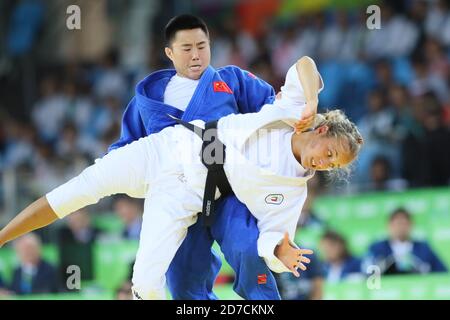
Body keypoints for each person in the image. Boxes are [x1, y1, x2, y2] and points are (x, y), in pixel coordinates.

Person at [0, 58, 363, 299]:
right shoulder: (292, 111)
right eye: (329, 153)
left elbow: (271, 235)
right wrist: (312, 100)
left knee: (144, 282)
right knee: (79, 189)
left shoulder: (292, 192)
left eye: (332, 166)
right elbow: (305, 65)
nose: (324, 164)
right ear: (323, 129)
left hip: (187, 193)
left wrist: (278, 250)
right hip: (169, 147)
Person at [108, 14, 300, 300]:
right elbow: (125, 152)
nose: (196, 55)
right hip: (177, 202)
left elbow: (274, 112)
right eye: (187, 49)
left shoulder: (231, 80)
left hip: (230, 191)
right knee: (184, 284)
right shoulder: (148, 101)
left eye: (202, 46)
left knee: (248, 249)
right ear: (169, 53)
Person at [364, 208, 447, 275]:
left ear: (411, 225)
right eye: (397, 224)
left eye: (404, 223)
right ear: (389, 225)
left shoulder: (424, 248)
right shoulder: (377, 248)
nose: (400, 228)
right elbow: (366, 271)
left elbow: (442, 272)